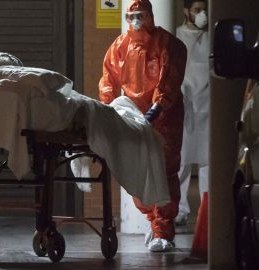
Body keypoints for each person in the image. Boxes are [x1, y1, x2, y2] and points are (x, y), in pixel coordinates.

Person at [99, 0, 187, 252]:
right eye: (132, 15)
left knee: (165, 169)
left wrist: (158, 107)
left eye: (141, 15)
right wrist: (108, 108)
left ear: (150, 15)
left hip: (164, 118)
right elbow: (108, 80)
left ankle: (164, 230)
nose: (136, 20)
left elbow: (169, 78)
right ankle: (153, 222)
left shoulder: (168, 43)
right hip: (134, 117)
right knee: (137, 168)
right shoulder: (118, 47)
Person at [174, 0, 210, 226]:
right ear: (187, 11)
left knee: (208, 162)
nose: (202, 15)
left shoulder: (211, 37)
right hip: (186, 105)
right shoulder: (176, 36)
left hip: (207, 104)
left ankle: (208, 209)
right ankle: (180, 210)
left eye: (204, 10)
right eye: (197, 10)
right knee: (182, 161)